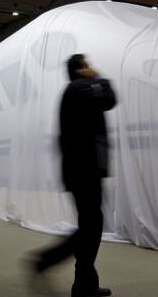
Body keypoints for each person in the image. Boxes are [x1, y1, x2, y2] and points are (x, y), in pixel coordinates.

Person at [30, 54, 117, 297]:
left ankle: (84, 285)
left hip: (82, 169)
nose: (93, 68)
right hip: (85, 169)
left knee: (89, 226)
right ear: (81, 70)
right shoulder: (80, 87)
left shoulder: (75, 90)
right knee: (90, 228)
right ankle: (45, 260)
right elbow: (110, 98)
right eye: (88, 65)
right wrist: (97, 77)